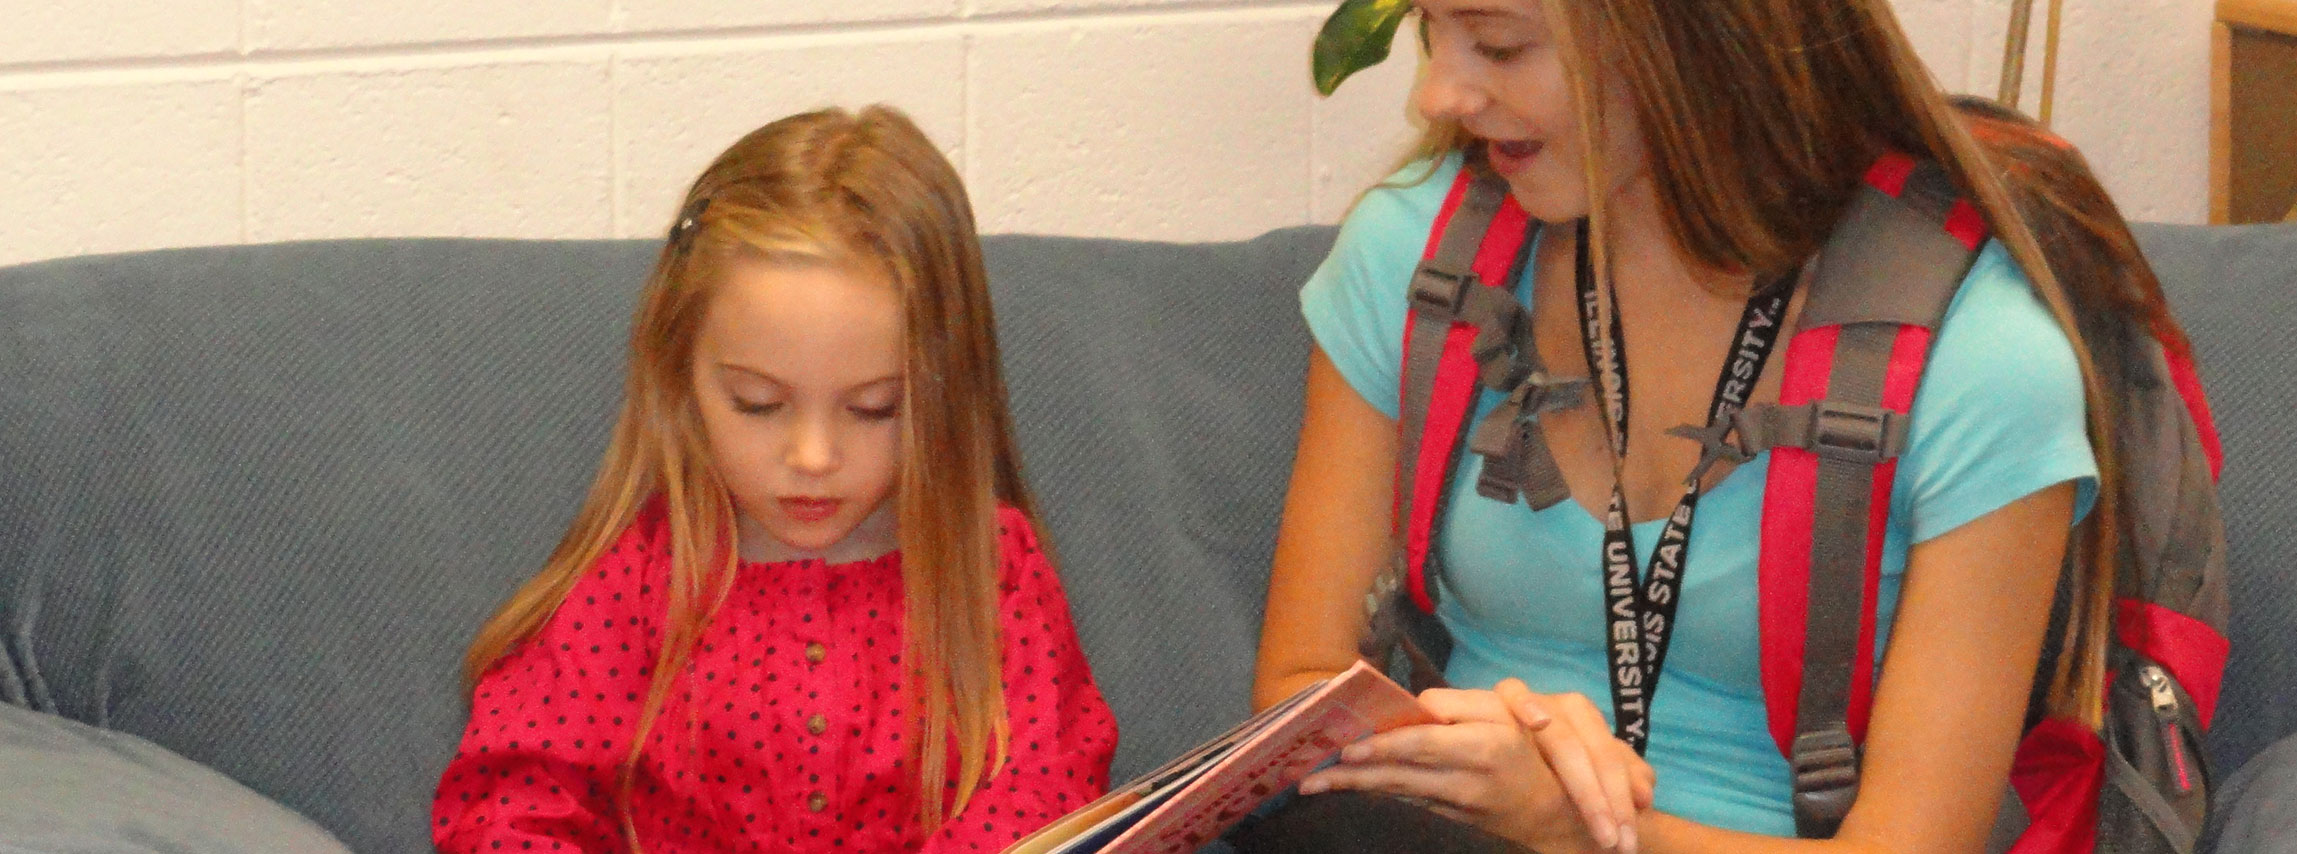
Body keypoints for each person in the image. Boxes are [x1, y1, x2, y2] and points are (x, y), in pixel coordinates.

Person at [1250, 2, 2163, 853]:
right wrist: (1481, 752)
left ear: (1691, 37)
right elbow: (1295, 698)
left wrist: (1571, 826)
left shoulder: (1980, 352)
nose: (1438, 94)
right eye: (1431, 32)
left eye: (1498, 45)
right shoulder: (1417, 255)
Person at [430, 106, 1117, 853]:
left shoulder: (992, 573)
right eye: (758, 404)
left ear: (948, 392)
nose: (814, 456)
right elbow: (511, 807)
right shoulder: (633, 585)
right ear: (678, 377)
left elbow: (1044, 789)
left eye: (874, 408)